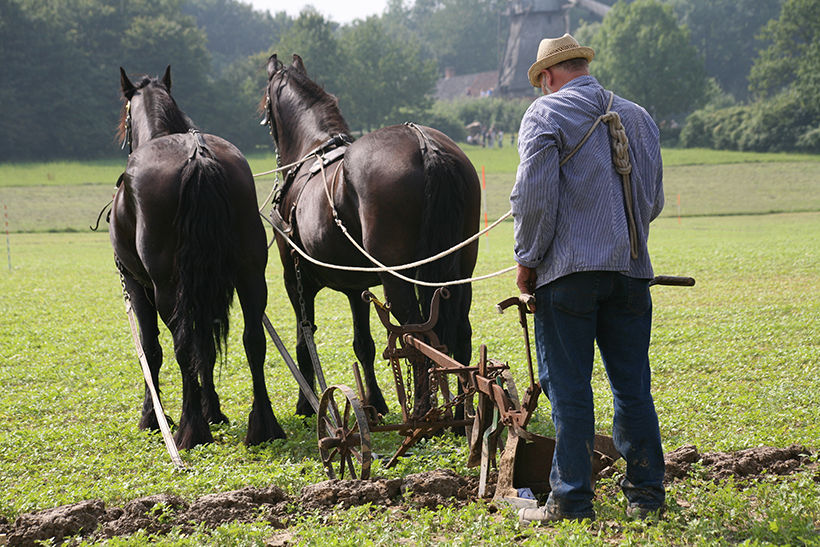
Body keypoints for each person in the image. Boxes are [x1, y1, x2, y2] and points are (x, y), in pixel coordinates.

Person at [510, 33, 666, 524]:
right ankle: (646, 497)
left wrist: (527, 260)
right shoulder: (638, 116)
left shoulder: (545, 114)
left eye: (541, 83)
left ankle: (572, 501)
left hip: (568, 278)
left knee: (571, 389)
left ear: (549, 77)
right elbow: (653, 201)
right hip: (631, 274)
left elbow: (535, 201)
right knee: (633, 387)